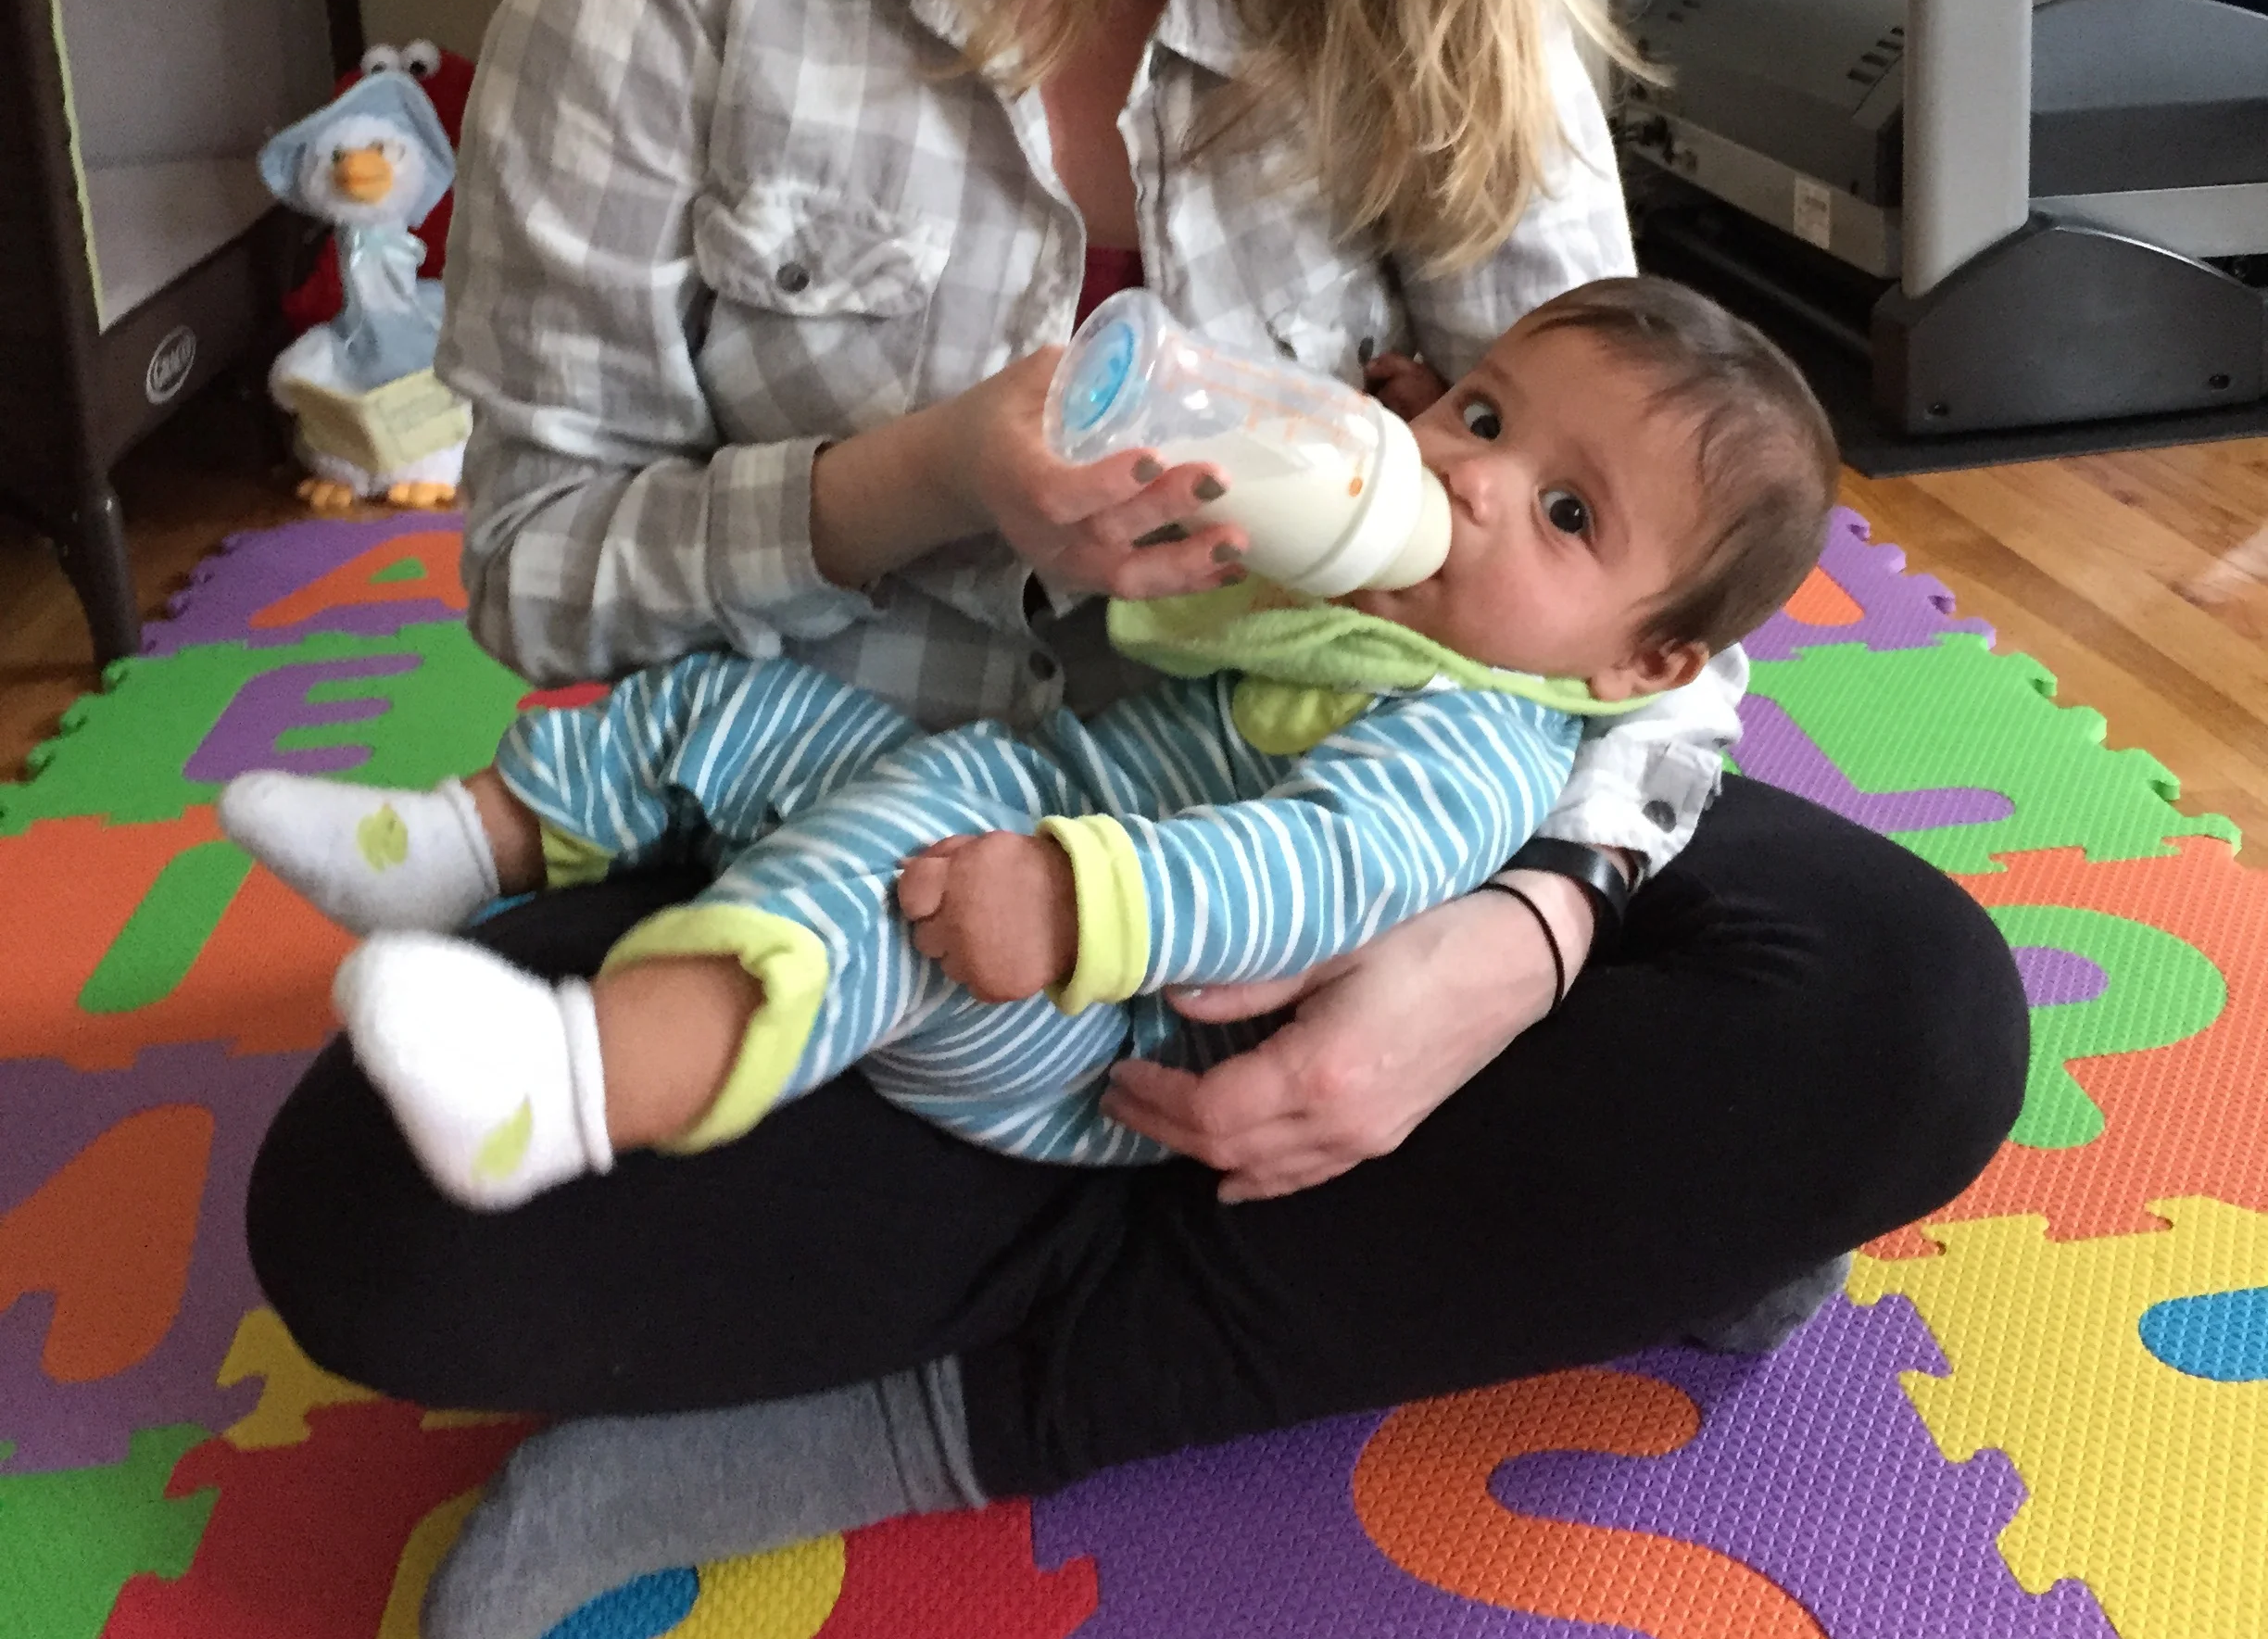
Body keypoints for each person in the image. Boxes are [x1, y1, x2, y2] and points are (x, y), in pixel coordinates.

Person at [243, 0, 2027, 1639]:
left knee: (1909, 1013)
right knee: (377, 1224)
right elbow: (535, 572)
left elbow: (1655, 628)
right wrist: (918, 481)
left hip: (1306, 844)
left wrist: (1483, 977)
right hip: (866, 871)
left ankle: (930, 1411)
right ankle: (1492, 1252)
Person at [226, 276, 1836, 1205]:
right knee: (744, 706)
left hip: (1104, 1024)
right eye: (1480, 417)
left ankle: (568, 1093)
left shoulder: (1474, 734)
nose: (1472, 479)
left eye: (1564, 513)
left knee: (867, 894)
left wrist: (1075, 908)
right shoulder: (1387, 593)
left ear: (1647, 661)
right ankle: (471, 844)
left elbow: (1323, 870)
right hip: (1018, 785)